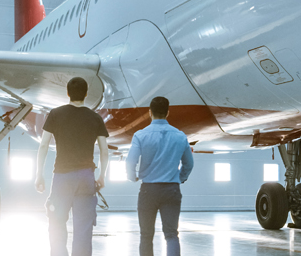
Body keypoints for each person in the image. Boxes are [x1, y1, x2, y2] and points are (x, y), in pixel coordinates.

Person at [34, 77, 110, 256]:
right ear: (86, 94)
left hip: (62, 176)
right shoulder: (95, 117)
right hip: (86, 176)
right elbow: (104, 150)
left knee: (57, 222)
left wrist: (39, 174)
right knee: (83, 229)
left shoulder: (55, 114)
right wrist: (102, 176)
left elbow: (44, 145)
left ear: (67, 93)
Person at [125, 96, 194, 256]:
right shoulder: (180, 136)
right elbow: (188, 164)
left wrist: (132, 176)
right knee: (171, 234)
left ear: (150, 113)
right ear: (167, 113)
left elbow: (130, 161)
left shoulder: (140, 135)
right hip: (171, 190)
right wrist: (180, 178)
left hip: (148, 190)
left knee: (146, 235)